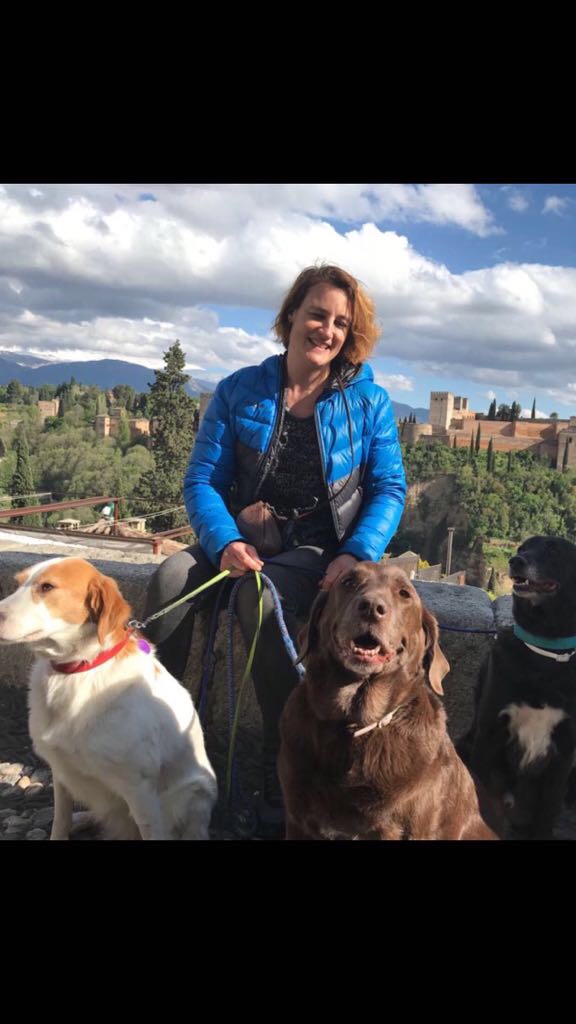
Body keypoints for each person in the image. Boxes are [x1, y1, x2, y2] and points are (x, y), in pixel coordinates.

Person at [143, 264, 407, 837]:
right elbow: (202, 481)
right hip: (240, 535)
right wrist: (225, 541)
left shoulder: (369, 401)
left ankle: (279, 768)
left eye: (341, 323)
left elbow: (389, 488)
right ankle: (152, 745)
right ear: (290, 317)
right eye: (317, 314)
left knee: (257, 602)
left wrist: (356, 553)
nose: (327, 330)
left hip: (318, 551)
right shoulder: (240, 390)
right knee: (168, 581)